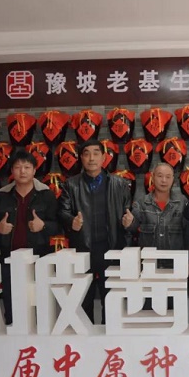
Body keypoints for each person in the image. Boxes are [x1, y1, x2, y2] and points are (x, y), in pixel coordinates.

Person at [58, 139, 132, 324]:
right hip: (83, 249)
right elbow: (62, 212)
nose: (91, 158)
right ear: (81, 158)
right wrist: (71, 222)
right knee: (84, 299)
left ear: (104, 157)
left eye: (96, 153)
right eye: (86, 154)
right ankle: (86, 338)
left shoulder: (119, 184)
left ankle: (109, 337)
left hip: (111, 248)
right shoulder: (71, 185)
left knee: (112, 299)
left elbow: (128, 213)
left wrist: (129, 222)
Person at [0, 149, 59, 325]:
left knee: (40, 305)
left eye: (27, 167)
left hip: (39, 258)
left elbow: (58, 226)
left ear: (34, 170)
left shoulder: (46, 195)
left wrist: (43, 225)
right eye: (18, 167)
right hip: (9, 258)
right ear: (12, 170)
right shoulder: (1, 196)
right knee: (12, 305)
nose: (22, 171)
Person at [124, 163, 189, 306]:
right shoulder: (141, 204)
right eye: (160, 176)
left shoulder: (182, 203)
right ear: (153, 177)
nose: (164, 180)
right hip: (149, 268)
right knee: (150, 308)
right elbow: (133, 227)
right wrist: (129, 224)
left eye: (168, 177)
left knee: (175, 308)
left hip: (175, 267)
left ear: (173, 179)